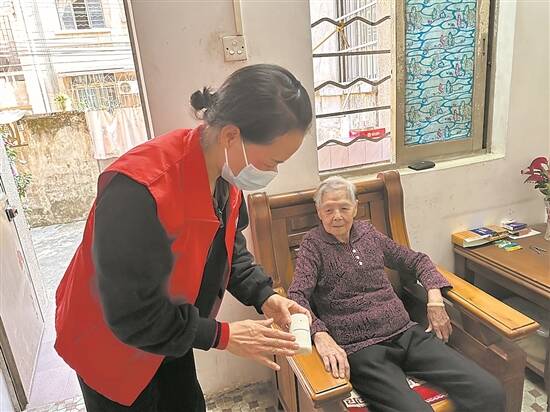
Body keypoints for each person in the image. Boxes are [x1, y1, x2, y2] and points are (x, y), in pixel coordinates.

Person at [54, 64, 313, 412]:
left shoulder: (225, 175)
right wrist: (223, 335)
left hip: (169, 326)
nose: (273, 172)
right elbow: (130, 313)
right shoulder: (139, 190)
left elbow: (228, 251)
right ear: (231, 136)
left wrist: (265, 296)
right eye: (271, 161)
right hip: (110, 342)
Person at [288, 176, 505, 412]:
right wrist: (320, 334)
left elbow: (417, 261)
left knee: (489, 390)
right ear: (319, 212)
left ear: (356, 208)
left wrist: (435, 300)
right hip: (362, 349)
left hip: (406, 333)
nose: (337, 216)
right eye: (329, 209)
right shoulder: (313, 245)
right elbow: (297, 296)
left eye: (344, 208)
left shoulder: (368, 234)